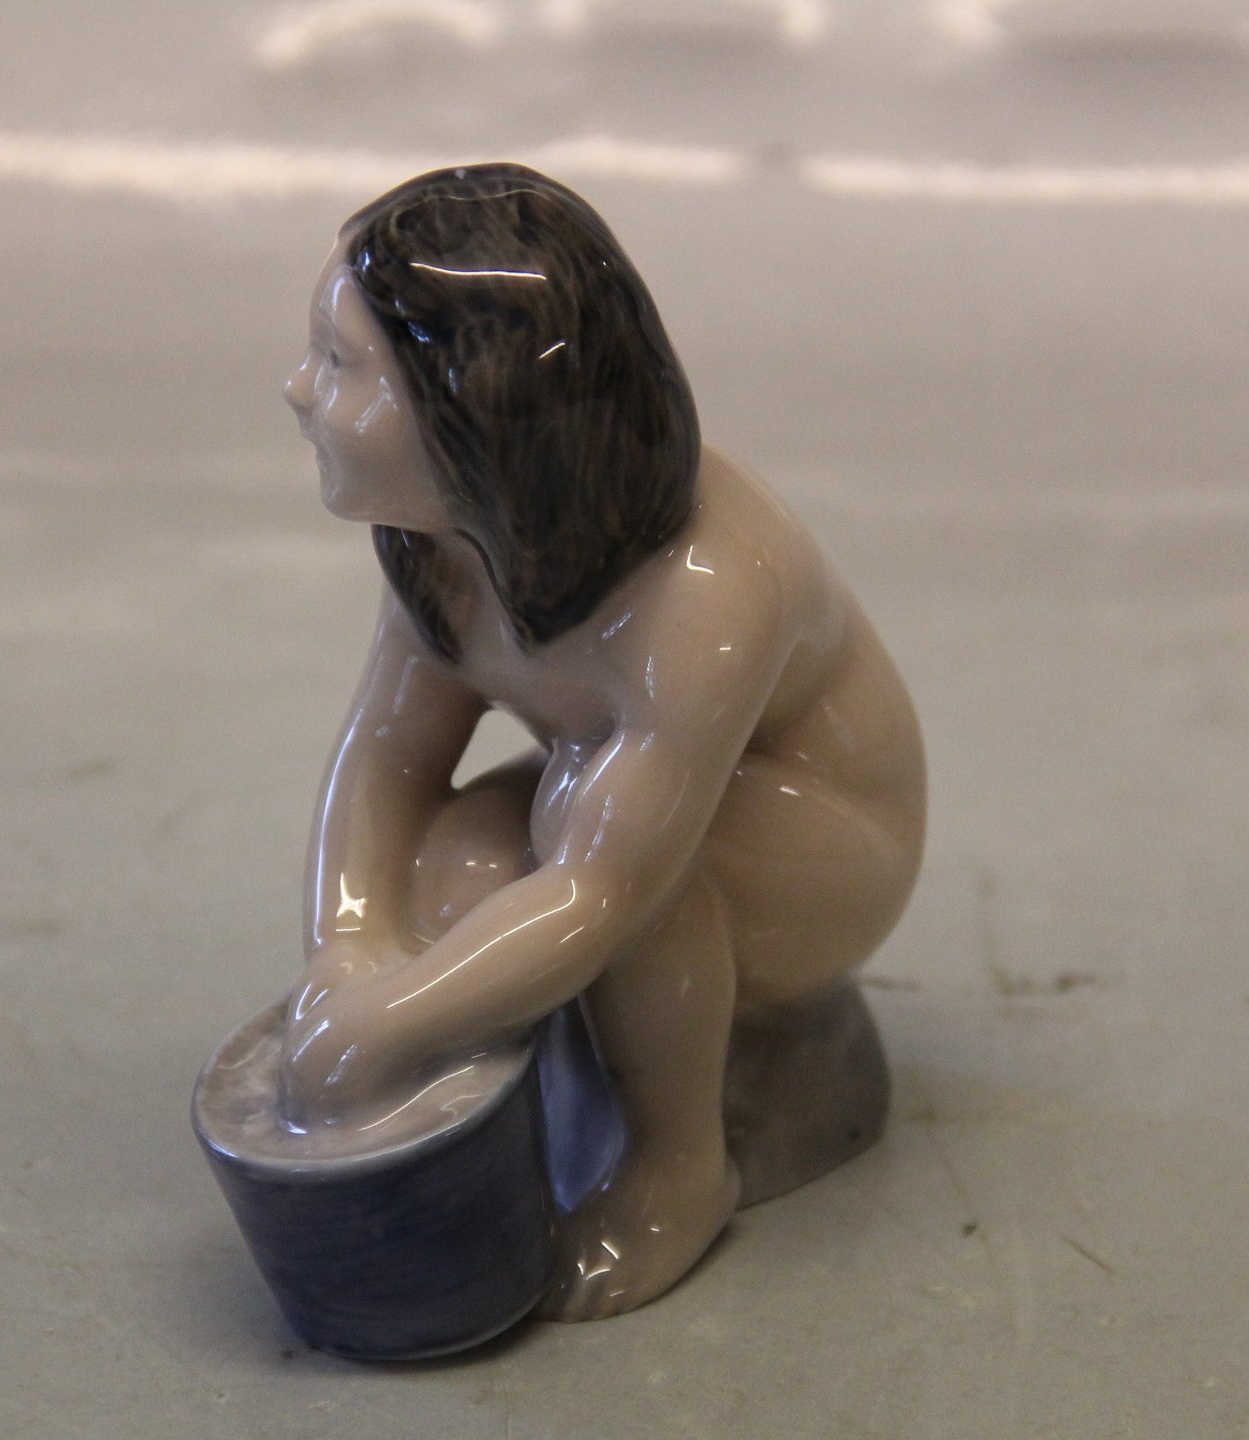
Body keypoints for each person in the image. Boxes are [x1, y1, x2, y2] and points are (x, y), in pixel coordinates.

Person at [280, 164, 926, 1320]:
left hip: (823, 852)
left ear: (469, 410)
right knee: (450, 869)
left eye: (338, 365)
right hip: (617, 811)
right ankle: (571, 1090)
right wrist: (352, 945)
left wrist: (388, 1023)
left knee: (614, 857)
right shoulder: (443, 543)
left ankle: (677, 1169)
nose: (297, 390)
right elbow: (388, 758)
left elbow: (602, 888)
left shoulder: (705, 593)